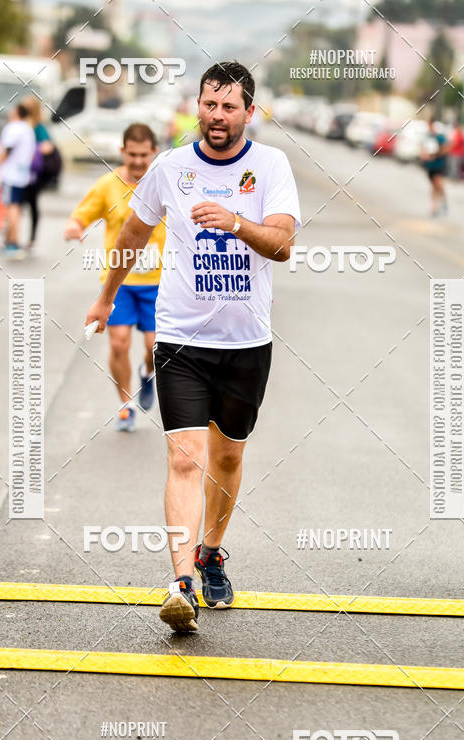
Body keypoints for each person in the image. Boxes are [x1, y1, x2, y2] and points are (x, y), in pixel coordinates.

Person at [85, 61, 301, 633]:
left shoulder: (271, 166)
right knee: (184, 458)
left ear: (248, 113)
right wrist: (106, 295)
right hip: (180, 337)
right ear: (198, 106)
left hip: (246, 342)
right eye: (210, 104)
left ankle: (210, 553)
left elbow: (282, 244)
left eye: (230, 107)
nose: (218, 116)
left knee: (227, 456)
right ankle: (179, 584)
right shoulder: (171, 168)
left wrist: (235, 222)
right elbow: (133, 231)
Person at [65, 124, 164, 429]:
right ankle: (125, 403)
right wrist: (75, 226)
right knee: (119, 343)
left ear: (154, 152)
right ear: (122, 152)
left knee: (155, 347)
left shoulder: (163, 183)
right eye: (131, 154)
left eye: (143, 155)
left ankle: (147, 374)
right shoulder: (108, 185)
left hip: (159, 282)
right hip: (119, 282)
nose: (137, 161)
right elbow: (84, 213)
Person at [0, 104, 36, 259]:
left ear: (17, 112)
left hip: (10, 174)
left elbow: (7, 149)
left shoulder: (14, 128)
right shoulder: (28, 129)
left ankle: (13, 242)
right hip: (22, 174)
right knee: (15, 207)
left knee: (12, 208)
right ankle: (9, 241)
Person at [21, 96, 56, 249]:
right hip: (21, 171)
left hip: (33, 172)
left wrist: (32, 151)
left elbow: (48, 146)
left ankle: (31, 238)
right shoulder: (21, 125)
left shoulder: (38, 127)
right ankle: (15, 236)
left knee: (31, 203)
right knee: (18, 204)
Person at [420, 118, 450, 217]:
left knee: (438, 183)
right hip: (430, 165)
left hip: (438, 164)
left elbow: (445, 149)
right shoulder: (427, 136)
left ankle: (443, 201)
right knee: (433, 186)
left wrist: (435, 155)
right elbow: (423, 148)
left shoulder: (440, 137)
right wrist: (424, 155)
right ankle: (434, 207)